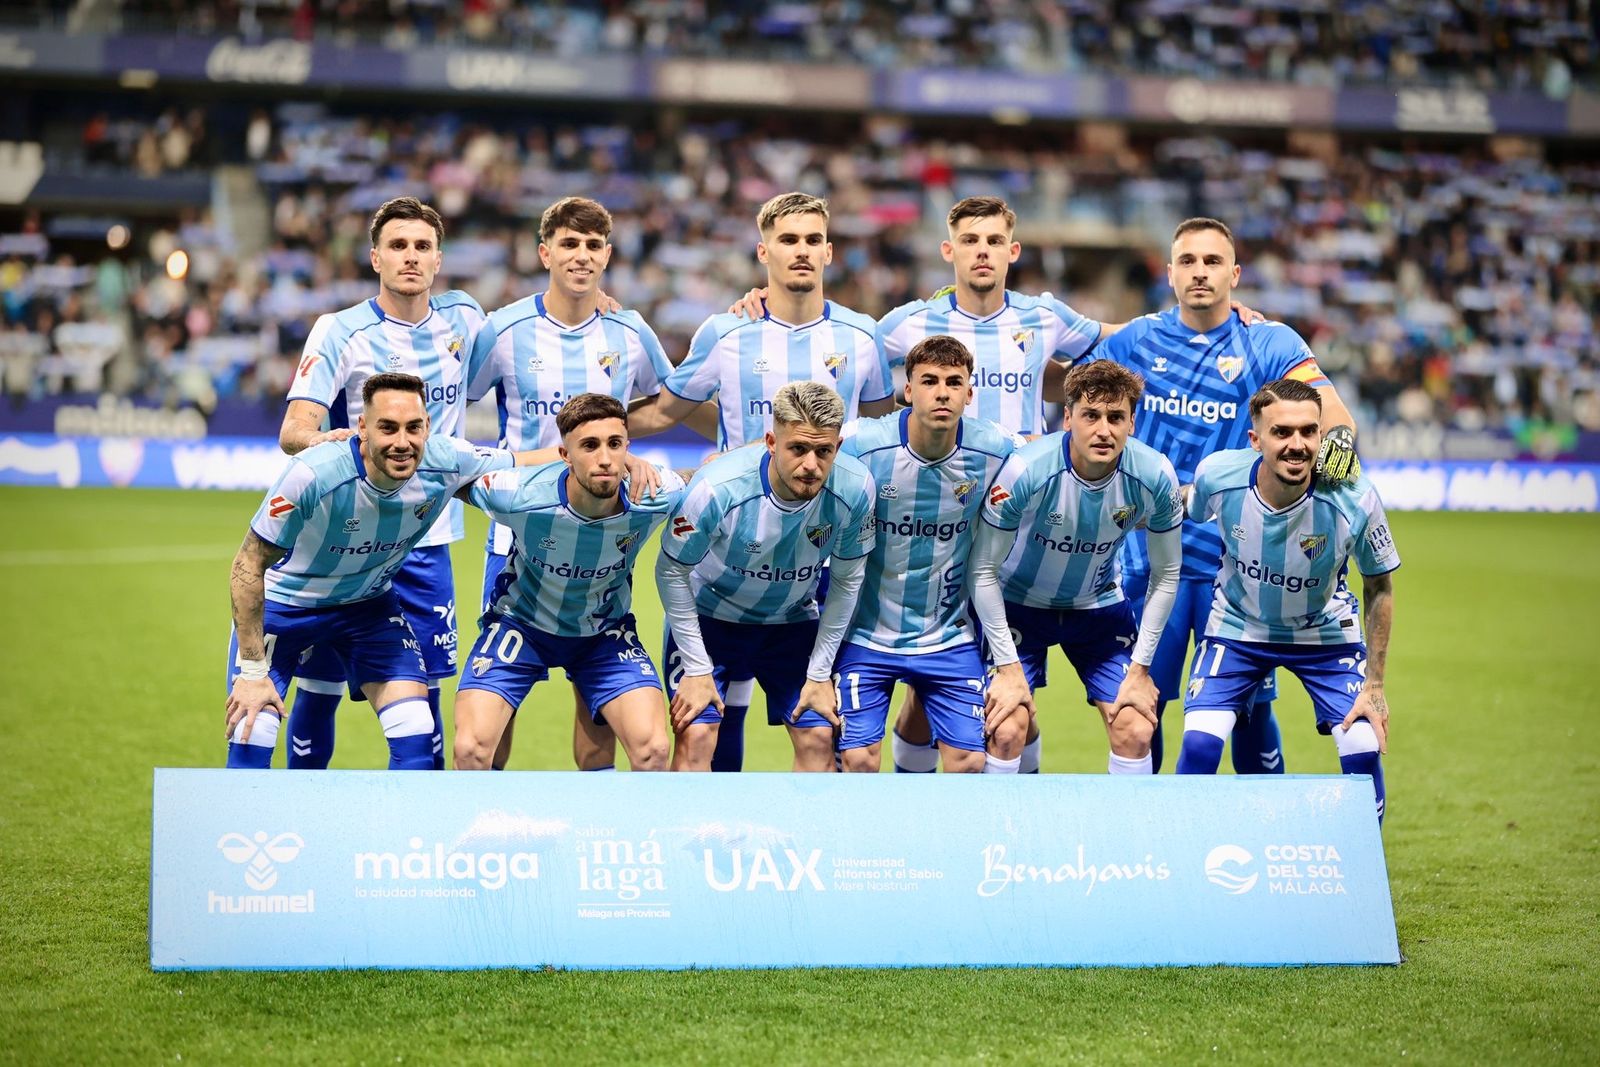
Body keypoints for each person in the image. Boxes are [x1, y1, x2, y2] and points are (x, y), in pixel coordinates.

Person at [630, 192, 894, 770]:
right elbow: (667, 411)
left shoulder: (862, 336)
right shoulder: (726, 332)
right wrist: (591, 437)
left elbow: (881, 435)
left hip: (812, 561)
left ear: (829, 252)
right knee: (709, 731)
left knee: (822, 735)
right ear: (763, 251)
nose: (801, 251)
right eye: (787, 240)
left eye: (812, 240)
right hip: (725, 551)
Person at [1092, 216, 1362, 775]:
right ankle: (1151, 822)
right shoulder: (1137, 340)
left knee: (1247, 712)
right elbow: (1066, 385)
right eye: (1187, 262)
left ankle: (1260, 821)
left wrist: (1337, 464)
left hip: (1237, 566)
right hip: (1150, 559)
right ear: (1170, 274)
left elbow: (1334, 416)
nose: (1200, 272)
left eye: (1212, 261)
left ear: (1235, 274)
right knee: (1142, 708)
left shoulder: (1269, 342)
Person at [871, 196, 1109, 773]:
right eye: (970, 241)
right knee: (931, 685)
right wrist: (758, 306)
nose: (983, 251)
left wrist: (1211, 316)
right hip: (938, 528)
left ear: (1013, 250)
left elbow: (1119, 346)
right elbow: (849, 363)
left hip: (1023, 531)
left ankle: (1011, 799)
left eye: (994, 241)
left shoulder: (1044, 317)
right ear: (948, 250)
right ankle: (917, 795)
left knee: (1006, 688)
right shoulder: (908, 323)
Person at [464, 196, 682, 772]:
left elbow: (669, 404)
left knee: (596, 697)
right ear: (545, 253)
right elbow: (455, 404)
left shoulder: (629, 330)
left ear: (607, 255)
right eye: (569, 244)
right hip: (519, 530)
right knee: (496, 709)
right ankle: (486, 805)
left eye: (592, 245)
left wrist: (623, 452)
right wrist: (506, 463)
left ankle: (597, 811)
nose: (581, 256)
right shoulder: (504, 329)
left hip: (601, 526)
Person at [275, 196, 485, 770]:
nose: (410, 256)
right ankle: (305, 805)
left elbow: (527, 336)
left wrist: (595, 301)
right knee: (319, 687)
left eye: (422, 246)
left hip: (427, 538)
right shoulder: (341, 330)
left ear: (438, 259)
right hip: (349, 537)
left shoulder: (465, 318)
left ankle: (421, 812)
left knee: (426, 689)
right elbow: (295, 432)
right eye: (397, 245)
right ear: (375, 258)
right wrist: (346, 446)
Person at [225, 373, 529, 769]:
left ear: (428, 427)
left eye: (413, 428)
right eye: (388, 427)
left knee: (415, 725)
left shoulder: (445, 459)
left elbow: (524, 461)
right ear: (363, 428)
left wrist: (588, 459)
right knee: (253, 728)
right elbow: (247, 564)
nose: (402, 442)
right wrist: (252, 671)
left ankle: (405, 815)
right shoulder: (313, 473)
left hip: (367, 607)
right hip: (286, 606)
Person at [1176, 379, 1397, 823]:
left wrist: (1374, 686)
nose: (1297, 445)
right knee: (1200, 742)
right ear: (1255, 439)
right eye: (1281, 432)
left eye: (1308, 431)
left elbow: (1380, 587)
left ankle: (1365, 856)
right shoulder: (1220, 476)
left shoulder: (1355, 496)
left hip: (1325, 635)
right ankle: (1182, 850)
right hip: (1238, 627)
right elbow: (1186, 504)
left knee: (1362, 743)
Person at [969, 361, 1184, 775]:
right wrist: (1008, 668)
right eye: (1091, 416)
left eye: (1115, 418)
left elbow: (1166, 574)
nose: (1104, 430)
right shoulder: (1026, 469)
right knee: (1007, 728)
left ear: (1132, 423)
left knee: (1136, 728)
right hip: (1018, 605)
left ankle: (1131, 823)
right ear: (1067, 418)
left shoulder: (1155, 474)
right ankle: (1007, 814)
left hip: (1097, 608)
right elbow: (982, 569)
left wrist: (1141, 669)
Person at [452, 393, 686, 773]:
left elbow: (700, 483)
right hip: (521, 627)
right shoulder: (520, 495)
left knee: (653, 750)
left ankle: (613, 814)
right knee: (471, 749)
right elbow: (454, 481)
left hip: (603, 633)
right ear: (565, 454)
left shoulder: (655, 493)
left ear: (628, 448)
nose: (605, 458)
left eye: (615, 444)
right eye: (589, 446)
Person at [656, 381, 875, 772]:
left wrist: (819, 674)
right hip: (708, 621)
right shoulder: (717, 488)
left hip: (790, 622)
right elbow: (671, 570)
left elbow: (846, 582)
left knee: (819, 735)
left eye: (824, 451)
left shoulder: (855, 489)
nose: (811, 465)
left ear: (838, 447)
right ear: (772, 442)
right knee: (696, 734)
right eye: (798, 449)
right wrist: (697, 667)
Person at [834, 335, 1023, 773]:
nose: (942, 393)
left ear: (969, 393)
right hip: (865, 633)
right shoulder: (862, 442)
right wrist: (724, 463)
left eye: (954, 382)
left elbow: (1051, 455)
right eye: (929, 381)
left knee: (969, 762)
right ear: (908, 390)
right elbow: (798, 445)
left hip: (948, 634)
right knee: (858, 760)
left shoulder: (996, 448)